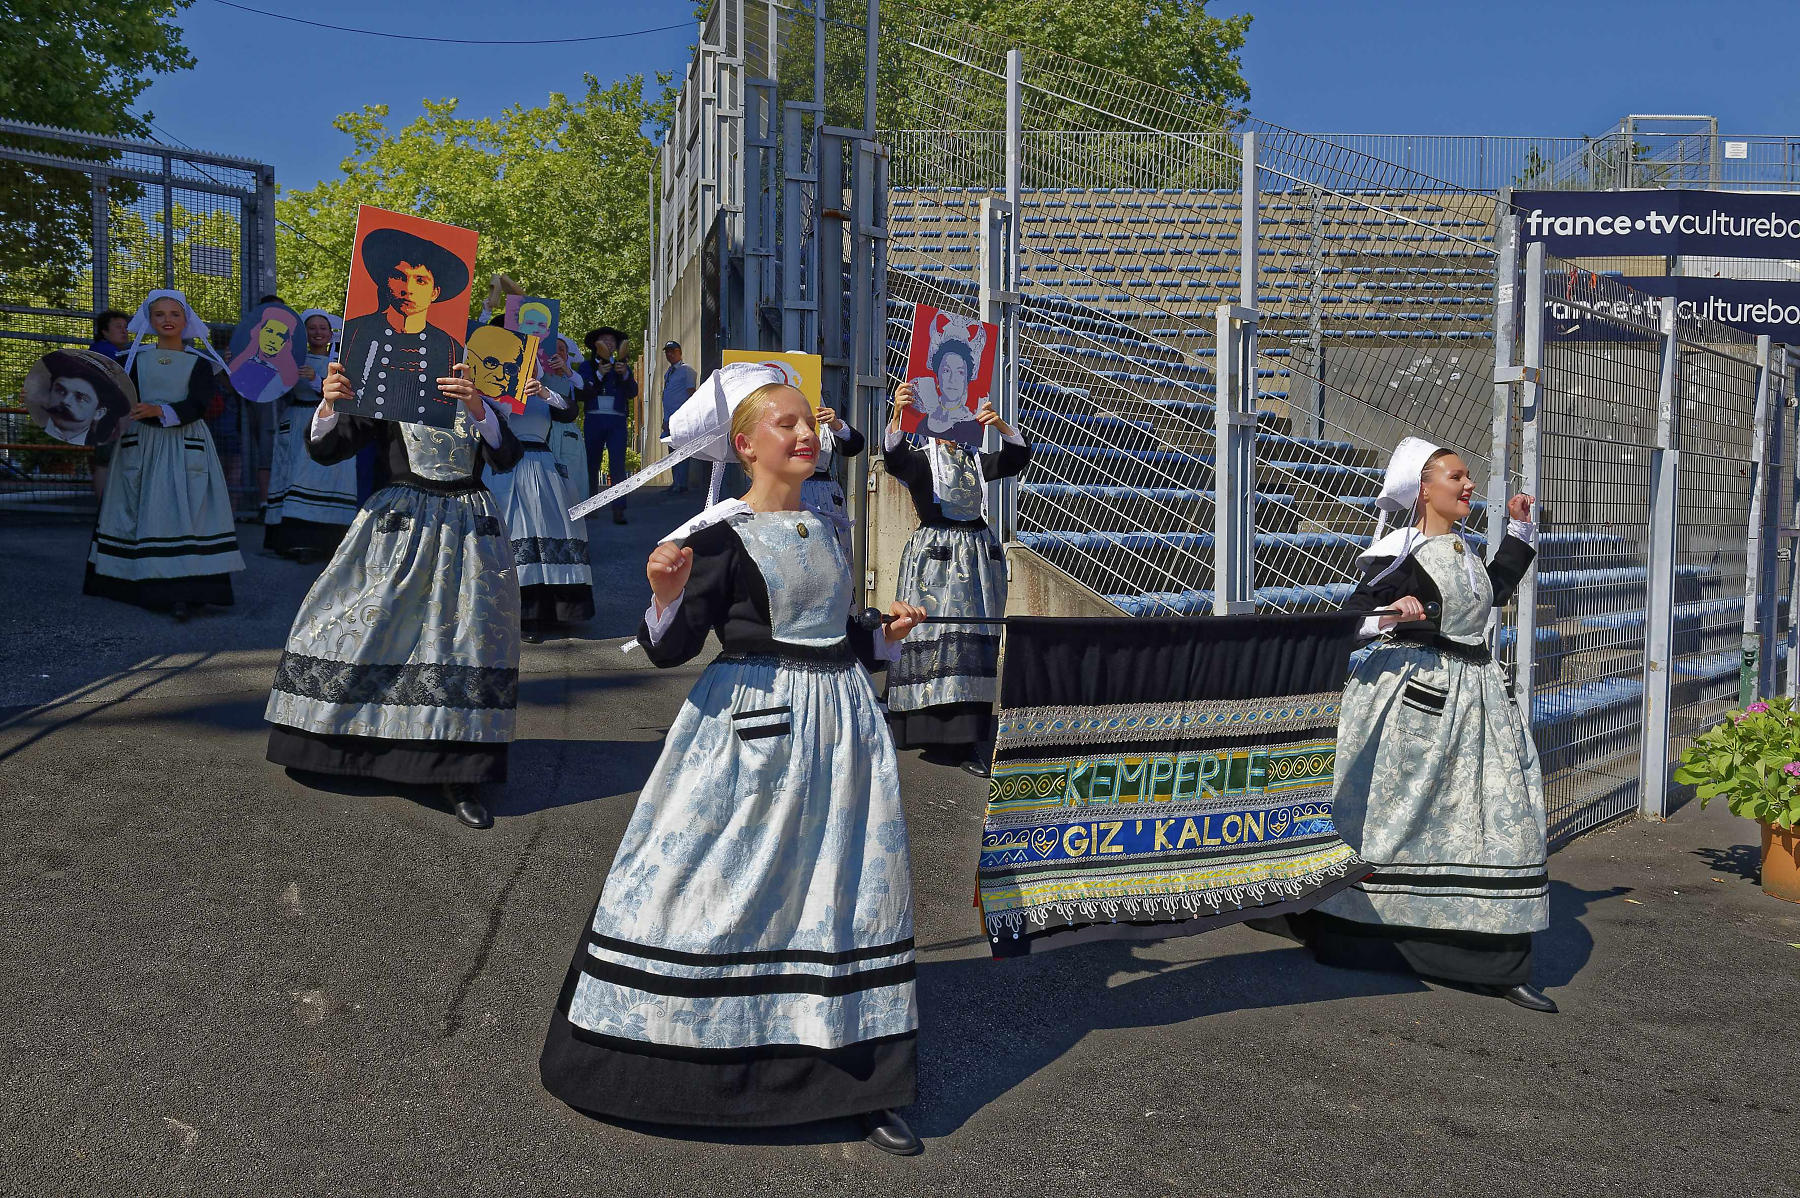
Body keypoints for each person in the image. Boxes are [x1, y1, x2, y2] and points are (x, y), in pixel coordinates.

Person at [540, 362, 929, 1155]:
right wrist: (664, 595)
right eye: (786, 423)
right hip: (752, 731)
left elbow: (830, 632)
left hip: (841, 731)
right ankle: (688, 1060)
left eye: (808, 421)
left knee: (839, 891)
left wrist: (879, 636)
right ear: (746, 446)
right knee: (723, 885)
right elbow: (673, 647)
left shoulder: (824, 523)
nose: (806, 432)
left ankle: (862, 1078)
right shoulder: (716, 535)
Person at [1288, 437, 1555, 1013]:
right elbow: (1348, 623)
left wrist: (1518, 532)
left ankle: (1498, 960)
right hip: (1418, 703)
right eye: (1456, 477)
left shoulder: (1461, 549)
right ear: (1425, 490)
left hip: (1476, 698)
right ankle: (1360, 937)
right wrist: (1390, 614)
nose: (1469, 485)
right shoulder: (1398, 553)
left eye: (1467, 476)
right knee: (1399, 822)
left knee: (1496, 819)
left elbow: (1488, 596)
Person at [263, 358, 523, 831]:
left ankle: (459, 774)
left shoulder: (477, 391)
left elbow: (507, 457)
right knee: (363, 624)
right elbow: (328, 449)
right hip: (400, 523)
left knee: (464, 644)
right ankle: (343, 742)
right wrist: (330, 404)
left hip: (468, 528)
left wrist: (477, 406)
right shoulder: (390, 388)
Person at [882, 382, 1030, 777]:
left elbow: (1015, 459)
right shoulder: (922, 460)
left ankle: (966, 738)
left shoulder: (974, 460)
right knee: (929, 633)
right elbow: (894, 460)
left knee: (970, 641)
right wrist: (898, 415)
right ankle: (923, 726)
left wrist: (1000, 424)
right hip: (934, 559)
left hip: (976, 560)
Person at [83, 290, 244, 619]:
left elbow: (199, 404)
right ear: (149, 320)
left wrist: (161, 410)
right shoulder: (132, 360)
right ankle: (137, 583)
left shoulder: (201, 363)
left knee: (188, 509)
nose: (167, 320)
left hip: (185, 441)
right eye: (159, 314)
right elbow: (113, 399)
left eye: (174, 314)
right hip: (142, 442)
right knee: (141, 506)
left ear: (186, 320)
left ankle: (185, 589)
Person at [477, 329, 594, 641]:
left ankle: (555, 612)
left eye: (528, 364)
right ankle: (522, 614)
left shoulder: (545, 393)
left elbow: (570, 412)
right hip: (506, 467)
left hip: (543, 468)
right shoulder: (493, 393)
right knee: (516, 535)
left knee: (549, 534)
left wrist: (543, 392)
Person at [339, 228, 470, 426]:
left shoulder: (451, 349)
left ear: (434, 292)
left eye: (420, 280)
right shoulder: (354, 332)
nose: (408, 289)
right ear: (386, 281)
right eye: (399, 277)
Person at [265, 310, 358, 561]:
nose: (317, 332)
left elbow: (350, 394)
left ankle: (328, 543)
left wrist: (317, 379)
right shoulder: (291, 358)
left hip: (332, 422)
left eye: (322, 328)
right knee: (295, 477)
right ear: (302, 333)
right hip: (298, 420)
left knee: (328, 477)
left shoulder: (342, 361)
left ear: (330, 333)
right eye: (312, 328)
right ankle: (293, 541)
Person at [574, 325, 636, 524]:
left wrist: (624, 375)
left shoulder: (622, 365)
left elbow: (633, 392)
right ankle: (591, 505)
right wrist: (599, 375)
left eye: (612, 341)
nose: (609, 344)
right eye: (605, 340)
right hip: (594, 418)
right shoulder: (587, 367)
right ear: (596, 345)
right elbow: (582, 392)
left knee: (617, 464)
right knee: (591, 463)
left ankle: (619, 508)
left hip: (617, 420)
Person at [24, 349, 129, 447]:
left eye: (80, 397)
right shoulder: (30, 438)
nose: (65, 401)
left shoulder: (103, 449)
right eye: (60, 391)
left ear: (99, 413)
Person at [801, 404, 864, 560]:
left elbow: (855, 445)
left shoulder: (819, 410)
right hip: (792, 491)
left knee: (833, 554)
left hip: (825, 492)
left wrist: (835, 424)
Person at [87, 309, 131, 495]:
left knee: (106, 461)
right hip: (108, 415)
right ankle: (104, 507)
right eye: (118, 327)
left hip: (106, 414)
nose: (124, 331)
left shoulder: (108, 351)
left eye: (126, 327)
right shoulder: (106, 351)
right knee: (105, 462)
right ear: (104, 332)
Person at [547, 334, 589, 511]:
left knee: (572, 481)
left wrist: (566, 370)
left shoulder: (573, 379)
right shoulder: (539, 377)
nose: (557, 353)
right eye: (553, 348)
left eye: (562, 349)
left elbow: (585, 389)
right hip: (544, 435)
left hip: (568, 437)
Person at [657, 340, 696, 493]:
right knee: (672, 450)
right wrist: (665, 419)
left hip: (681, 418)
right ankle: (676, 482)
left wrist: (689, 415)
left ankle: (682, 484)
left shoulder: (687, 370)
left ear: (680, 352)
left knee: (682, 450)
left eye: (673, 351)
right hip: (669, 418)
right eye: (667, 352)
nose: (670, 354)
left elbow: (691, 393)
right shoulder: (669, 372)